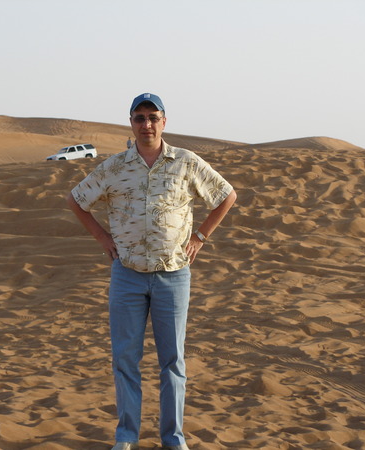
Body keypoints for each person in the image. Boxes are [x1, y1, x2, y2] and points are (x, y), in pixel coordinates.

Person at [67, 93, 236, 450]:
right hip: (127, 274)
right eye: (139, 118)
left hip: (173, 274)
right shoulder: (114, 166)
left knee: (172, 361)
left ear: (164, 121)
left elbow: (226, 195)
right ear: (131, 123)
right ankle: (126, 437)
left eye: (153, 117)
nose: (146, 124)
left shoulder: (185, 162)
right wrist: (101, 237)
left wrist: (201, 236)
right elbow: (76, 199)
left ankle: (173, 438)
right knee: (125, 359)